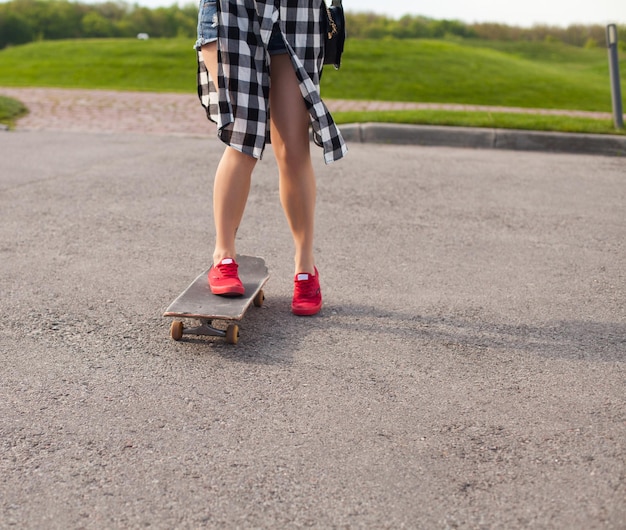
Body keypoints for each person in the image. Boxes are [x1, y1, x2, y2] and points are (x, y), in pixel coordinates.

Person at [194, 0, 347, 316]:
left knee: (292, 148)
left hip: (298, 12)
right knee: (243, 135)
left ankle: (305, 267)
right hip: (233, 9)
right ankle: (223, 256)